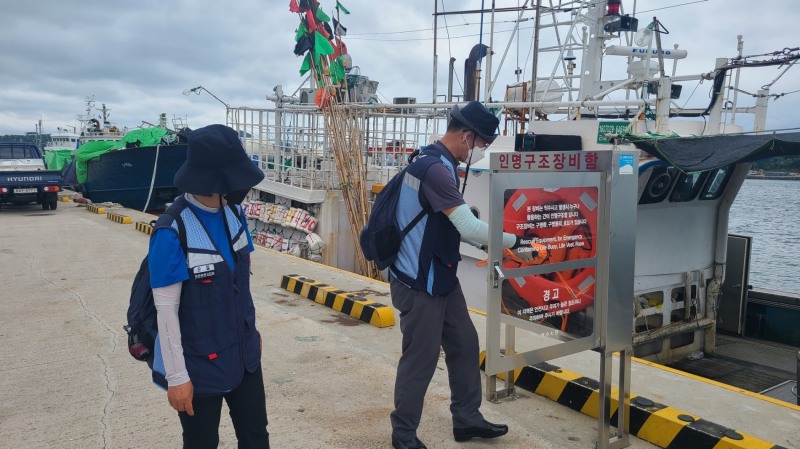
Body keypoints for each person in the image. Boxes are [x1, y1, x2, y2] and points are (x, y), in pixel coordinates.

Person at [388, 101, 539, 449]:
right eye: (481, 143)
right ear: (467, 135)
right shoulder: (435, 170)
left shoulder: (440, 163)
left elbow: (447, 224)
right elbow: (468, 226)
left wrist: (490, 244)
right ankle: (403, 434)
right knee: (421, 359)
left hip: (440, 275)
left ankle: (467, 419)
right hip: (419, 282)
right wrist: (516, 241)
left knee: (465, 345)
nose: (480, 149)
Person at [148, 124, 269, 449]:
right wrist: (177, 377)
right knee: (201, 442)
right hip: (198, 364)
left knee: (256, 437)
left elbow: (240, 282)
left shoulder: (235, 214)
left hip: (244, 354)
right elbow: (166, 312)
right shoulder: (172, 231)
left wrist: (252, 333)